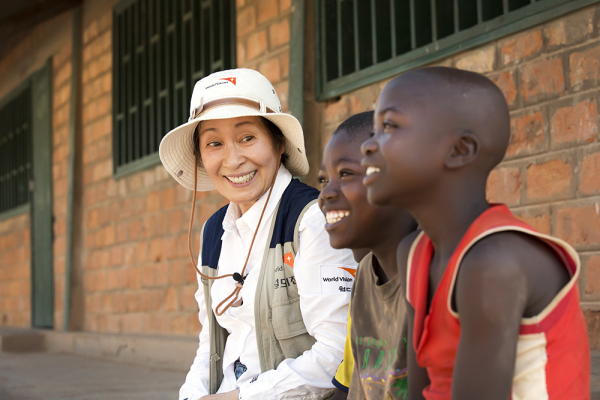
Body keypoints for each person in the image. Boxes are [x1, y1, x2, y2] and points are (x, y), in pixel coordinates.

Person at [360, 66, 591, 400]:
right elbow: (420, 392)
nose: (368, 144)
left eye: (389, 126)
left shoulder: (493, 262)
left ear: (460, 150)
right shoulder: (414, 252)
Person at [159, 68, 357, 400]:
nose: (233, 159)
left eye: (247, 138)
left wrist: (237, 399)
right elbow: (211, 344)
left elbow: (336, 354)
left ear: (278, 142)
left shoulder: (310, 220)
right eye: (214, 143)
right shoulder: (214, 232)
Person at [318, 112, 417, 400]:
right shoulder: (364, 275)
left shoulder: (436, 275)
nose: (325, 193)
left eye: (345, 173)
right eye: (323, 179)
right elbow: (348, 389)